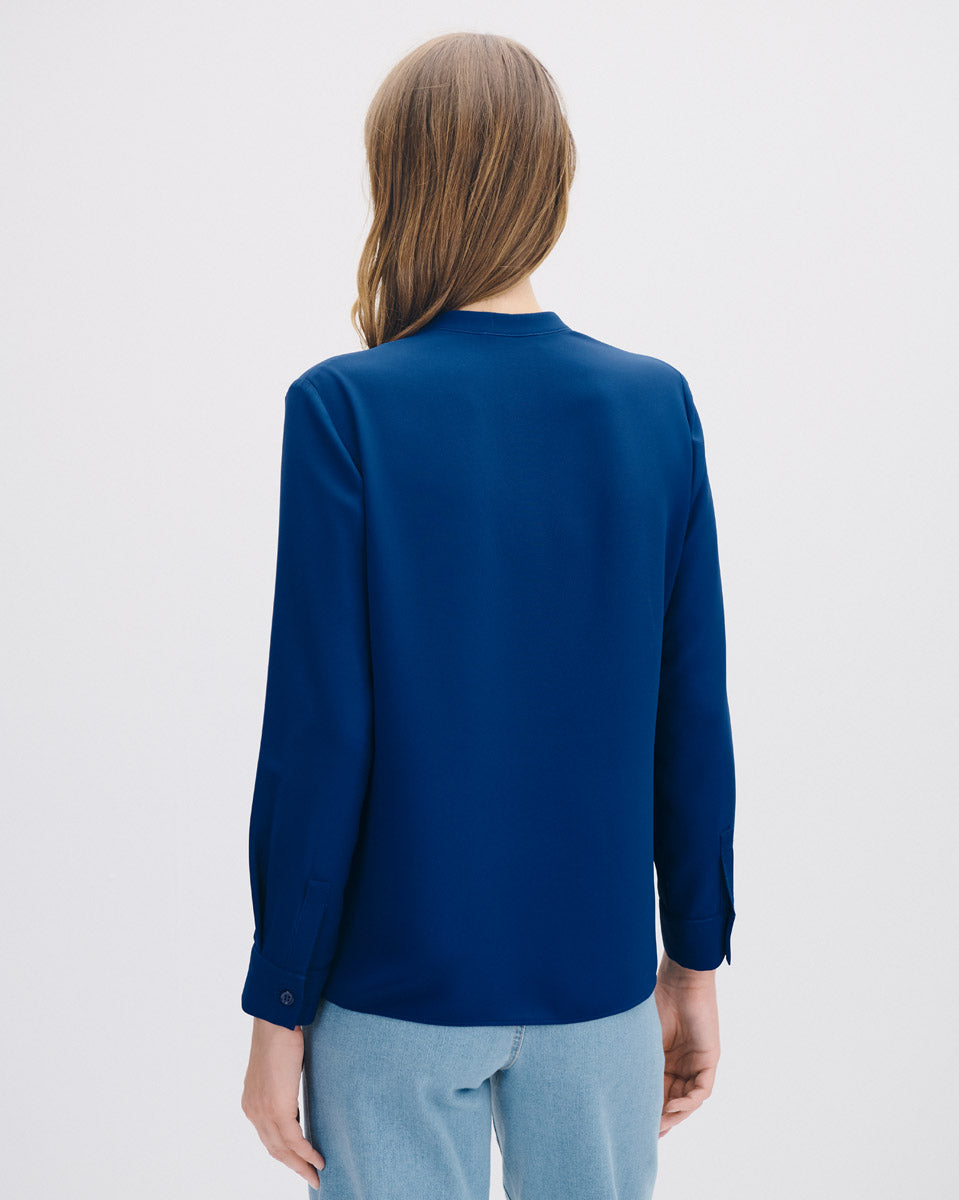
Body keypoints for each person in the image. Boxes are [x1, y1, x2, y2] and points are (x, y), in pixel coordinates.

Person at [239, 30, 736, 1200]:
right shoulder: (653, 406)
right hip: (597, 988)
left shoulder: (343, 410)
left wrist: (278, 1003)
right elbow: (689, 717)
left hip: (394, 989)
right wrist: (692, 961)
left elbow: (320, 736)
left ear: (396, 181)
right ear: (551, 179)